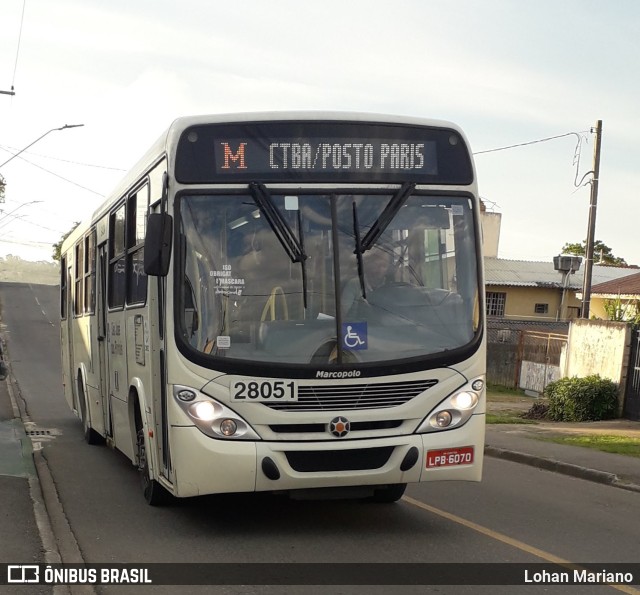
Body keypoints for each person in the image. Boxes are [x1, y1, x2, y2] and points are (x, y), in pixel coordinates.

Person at [341, 248, 393, 315]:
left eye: (384, 266)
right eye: (376, 265)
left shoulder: (391, 286)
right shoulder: (354, 285)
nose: (380, 270)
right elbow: (344, 313)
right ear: (368, 265)